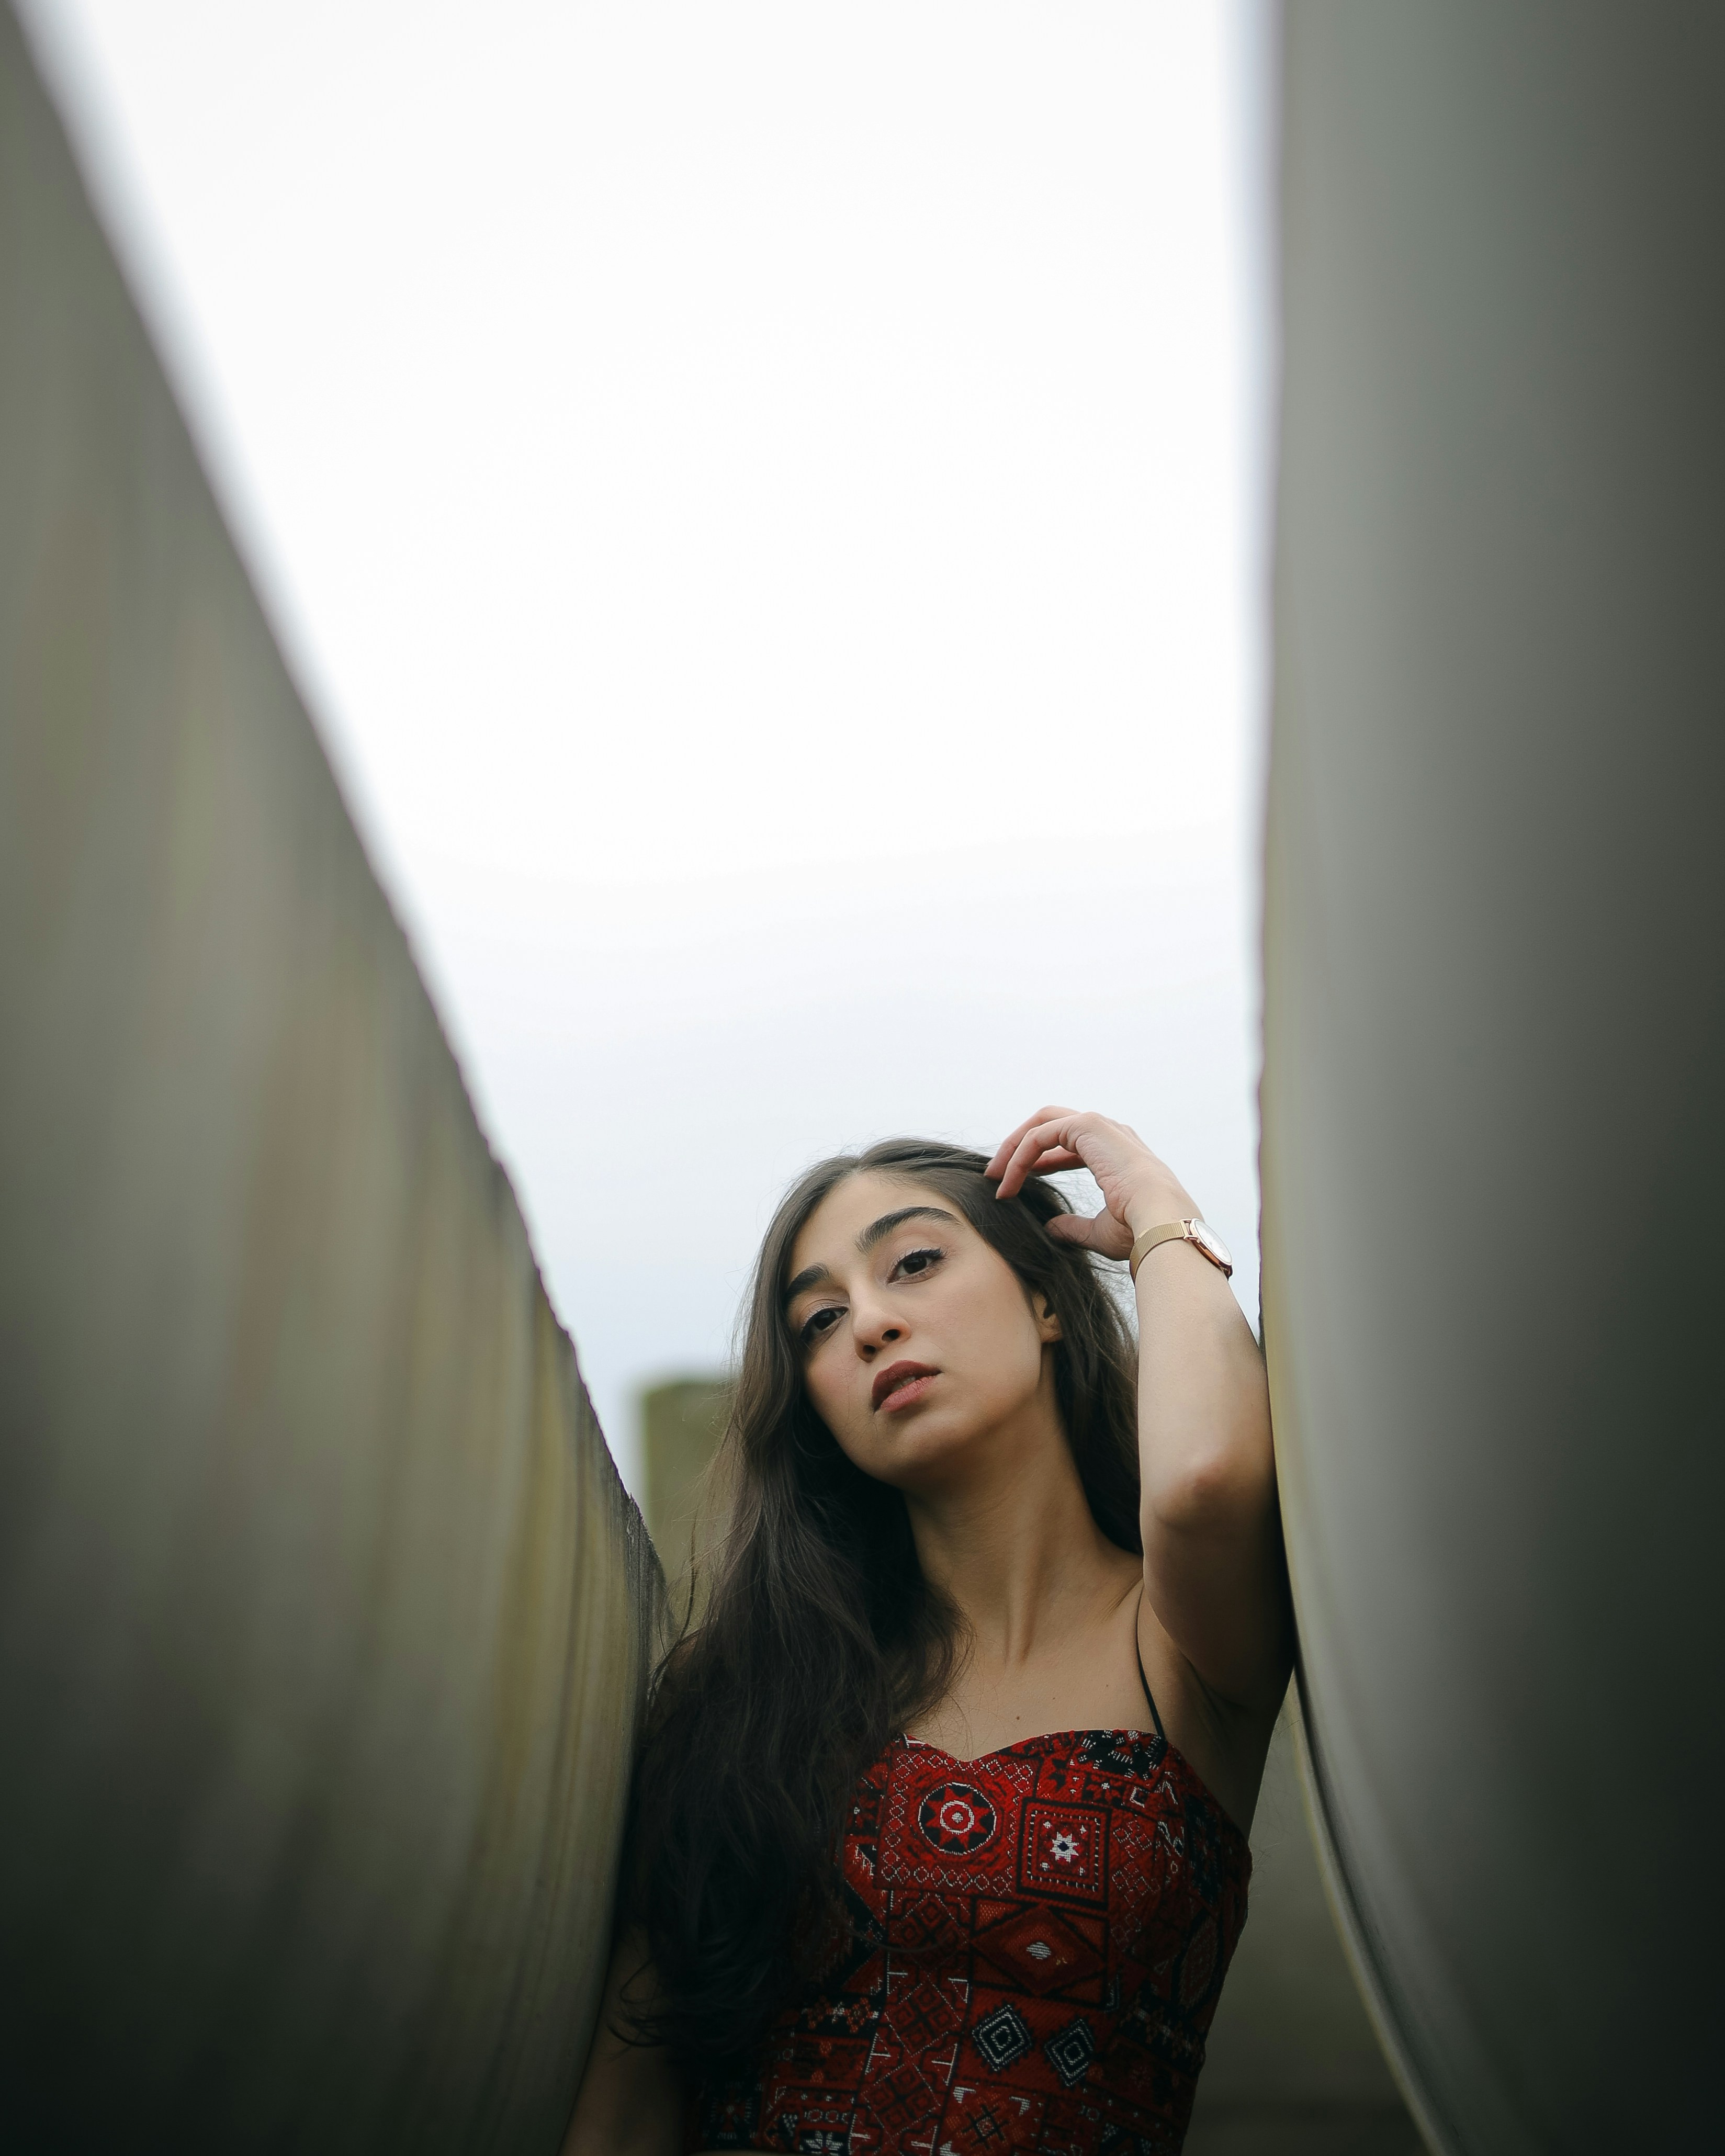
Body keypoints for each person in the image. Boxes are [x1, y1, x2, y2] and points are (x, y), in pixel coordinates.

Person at [565, 1106, 1290, 2155]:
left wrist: (1157, 1213)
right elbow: (626, 2104)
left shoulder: (1176, 1647)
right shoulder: (746, 1696)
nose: (867, 1323)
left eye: (911, 1263)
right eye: (819, 1320)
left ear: (1045, 1300)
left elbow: (1203, 1483)